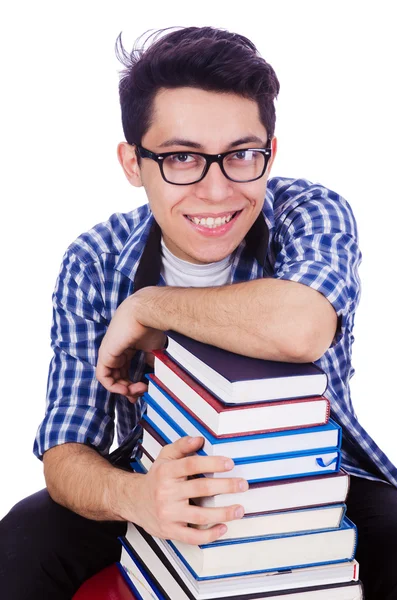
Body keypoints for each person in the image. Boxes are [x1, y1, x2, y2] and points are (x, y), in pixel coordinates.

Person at [0, 25, 396, 600]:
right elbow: (66, 450)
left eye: (241, 155)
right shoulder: (94, 259)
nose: (216, 191)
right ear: (133, 163)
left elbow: (303, 327)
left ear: (271, 153)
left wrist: (149, 307)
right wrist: (139, 499)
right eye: (182, 157)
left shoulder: (310, 212)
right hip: (154, 473)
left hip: (315, 478)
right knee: (21, 543)